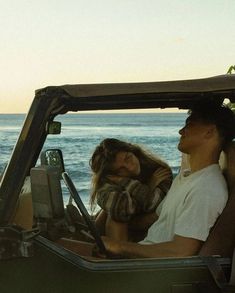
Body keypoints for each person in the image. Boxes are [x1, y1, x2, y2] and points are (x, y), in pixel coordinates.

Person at [101, 101, 235, 258]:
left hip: (148, 272)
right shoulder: (186, 177)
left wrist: (120, 246)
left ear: (210, 132)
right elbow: (158, 218)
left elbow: (181, 251)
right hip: (140, 259)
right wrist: (116, 226)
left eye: (189, 125)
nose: (181, 131)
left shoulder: (206, 189)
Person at [89, 138, 173, 241]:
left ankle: (118, 253)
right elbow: (122, 208)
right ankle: (98, 244)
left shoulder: (158, 170)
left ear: (132, 151)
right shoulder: (110, 179)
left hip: (153, 223)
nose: (130, 168)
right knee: (114, 209)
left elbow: (154, 203)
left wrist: (126, 184)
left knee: (115, 213)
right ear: (112, 174)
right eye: (120, 169)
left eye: (128, 158)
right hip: (127, 221)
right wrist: (147, 188)